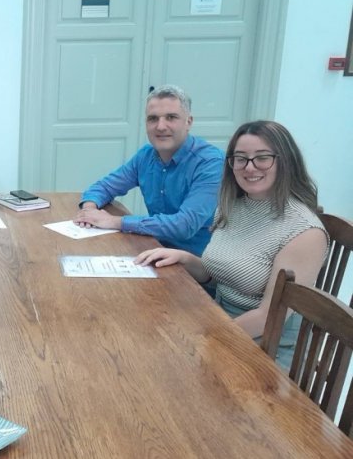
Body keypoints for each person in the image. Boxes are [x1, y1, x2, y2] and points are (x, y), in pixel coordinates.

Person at [135, 120, 328, 369]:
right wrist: (183, 257)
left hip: (267, 348)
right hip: (222, 322)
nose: (249, 167)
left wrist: (205, 338)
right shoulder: (234, 205)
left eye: (262, 158)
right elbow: (220, 274)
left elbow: (268, 317)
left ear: (286, 161)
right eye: (241, 159)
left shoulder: (305, 232)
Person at [74, 85, 224, 256]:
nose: (160, 126)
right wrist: (89, 211)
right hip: (154, 249)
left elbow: (184, 226)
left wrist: (115, 221)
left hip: (196, 264)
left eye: (171, 117)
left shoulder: (211, 163)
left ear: (188, 122)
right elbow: (104, 187)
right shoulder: (146, 156)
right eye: (153, 119)